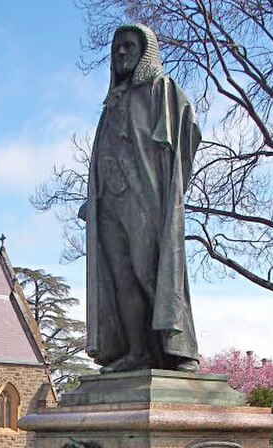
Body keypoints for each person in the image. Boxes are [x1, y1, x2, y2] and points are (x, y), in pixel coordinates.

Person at [80, 23, 200, 373]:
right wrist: (95, 197)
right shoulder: (112, 102)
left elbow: (187, 135)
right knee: (122, 279)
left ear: (146, 50)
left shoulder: (162, 90)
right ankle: (137, 351)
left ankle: (179, 350)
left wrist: (169, 190)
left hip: (144, 199)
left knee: (152, 272)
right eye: (117, 47)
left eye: (129, 46)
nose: (120, 53)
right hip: (109, 203)